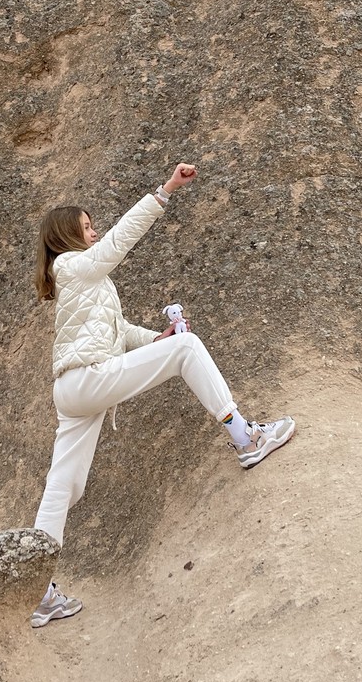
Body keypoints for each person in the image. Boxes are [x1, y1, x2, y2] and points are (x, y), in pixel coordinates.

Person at [28, 162, 295, 628]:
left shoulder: (83, 278)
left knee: (64, 484)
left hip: (74, 388)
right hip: (86, 380)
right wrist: (166, 190)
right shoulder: (70, 264)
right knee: (188, 349)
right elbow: (116, 245)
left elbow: (121, 331)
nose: (95, 233)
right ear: (66, 235)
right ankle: (246, 438)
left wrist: (160, 337)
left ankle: (36, 589)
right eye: (87, 227)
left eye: (93, 227)